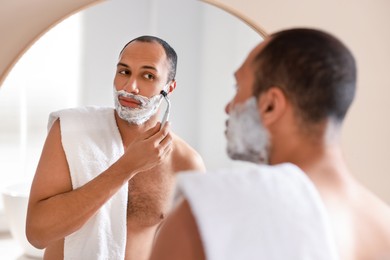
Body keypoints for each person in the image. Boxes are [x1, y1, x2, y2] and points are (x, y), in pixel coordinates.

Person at [150, 28, 390, 260]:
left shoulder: (212, 209)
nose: (228, 107)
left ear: (270, 106)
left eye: (238, 88)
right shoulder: (382, 225)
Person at [26, 35, 205, 260]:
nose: (130, 87)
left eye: (148, 76)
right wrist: (126, 167)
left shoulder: (186, 163)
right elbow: (37, 234)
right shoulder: (70, 132)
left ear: (169, 87)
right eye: (124, 72)